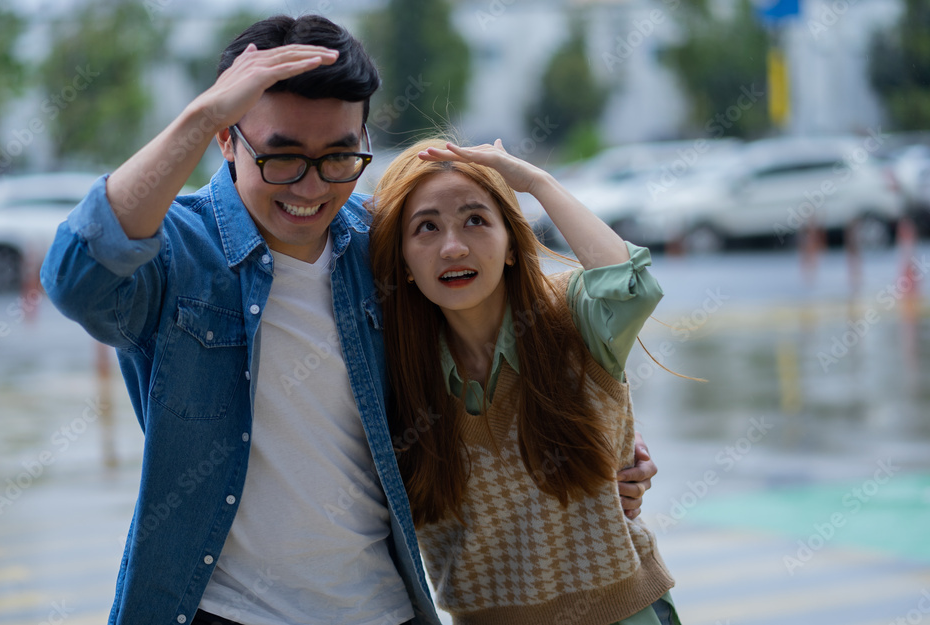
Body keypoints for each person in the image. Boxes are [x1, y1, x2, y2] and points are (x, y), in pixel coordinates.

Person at [41, 14, 657, 625]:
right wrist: (199, 115)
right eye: (283, 158)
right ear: (228, 141)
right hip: (222, 611)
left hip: (384, 607)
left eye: (339, 157)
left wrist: (605, 452)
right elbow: (76, 278)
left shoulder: (382, 247)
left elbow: (496, 343)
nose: (311, 186)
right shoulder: (179, 250)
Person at [369, 138, 681, 625]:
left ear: (512, 244)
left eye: (476, 219)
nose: (453, 247)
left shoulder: (570, 316)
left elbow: (632, 286)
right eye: (426, 227)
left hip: (623, 614)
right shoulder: (394, 368)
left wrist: (536, 182)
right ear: (403, 262)